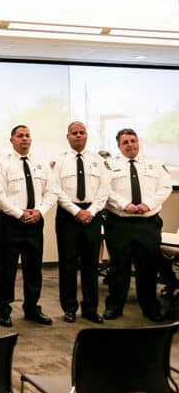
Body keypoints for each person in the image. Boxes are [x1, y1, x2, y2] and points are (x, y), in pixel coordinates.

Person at [0, 124, 57, 327]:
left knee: (34, 268)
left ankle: (31, 307)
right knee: (6, 268)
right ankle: (4, 309)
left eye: (27, 135)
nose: (24, 139)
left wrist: (39, 211)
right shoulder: (2, 164)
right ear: (12, 140)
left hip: (35, 222)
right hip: (11, 223)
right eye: (20, 136)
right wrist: (20, 214)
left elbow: (52, 191)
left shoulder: (42, 164)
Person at [103, 128, 172, 322]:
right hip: (119, 224)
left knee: (148, 267)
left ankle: (150, 308)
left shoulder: (154, 164)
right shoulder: (109, 166)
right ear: (118, 146)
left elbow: (165, 187)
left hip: (147, 224)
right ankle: (114, 307)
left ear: (138, 142)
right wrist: (125, 205)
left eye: (133, 141)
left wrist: (147, 205)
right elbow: (105, 190)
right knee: (118, 268)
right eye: (125, 142)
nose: (130, 145)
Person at [51, 121, 109, 323]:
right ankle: (69, 308)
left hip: (92, 215)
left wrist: (90, 212)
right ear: (67, 136)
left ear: (87, 135)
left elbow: (104, 190)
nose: (78, 135)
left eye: (81, 132)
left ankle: (91, 308)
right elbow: (55, 189)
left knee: (91, 264)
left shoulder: (98, 161)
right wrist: (77, 211)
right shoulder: (58, 161)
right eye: (74, 133)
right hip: (68, 216)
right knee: (67, 264)